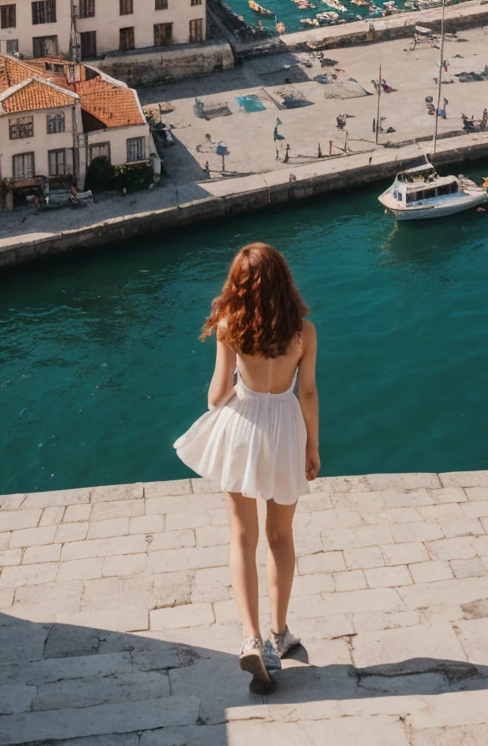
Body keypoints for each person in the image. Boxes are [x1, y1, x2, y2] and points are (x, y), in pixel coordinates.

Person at [173, 244, 319, 694]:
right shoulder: (303, 332)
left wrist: (234, 384)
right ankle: (280, 633)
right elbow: (308, 393)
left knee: (242, 536)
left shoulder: (229, 328)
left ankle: (251, 638)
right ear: (283, 281)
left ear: (239, 285)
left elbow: (217, 397)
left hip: (242, 429)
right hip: (286, 430)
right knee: (281, 537)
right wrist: (313, 448)